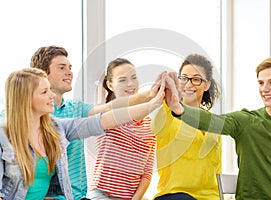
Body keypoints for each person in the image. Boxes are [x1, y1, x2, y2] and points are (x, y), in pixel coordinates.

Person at [0, 68, 165, 200]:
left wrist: (152, 102)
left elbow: (106, 119)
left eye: (50, 89)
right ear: (25, 99)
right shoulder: (4, 138)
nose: (51, 95)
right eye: (44, 92)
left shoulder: (57, 129)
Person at [30, 46, 159, 200]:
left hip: (78, 197)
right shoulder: (32, 119)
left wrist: (152, 96)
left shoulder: (76, 109)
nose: (69, 72)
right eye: (62, 67)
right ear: (43, 75)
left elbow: (109, 110)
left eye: (70, 67)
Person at [165, 56, 271, 199]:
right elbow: (211, 121)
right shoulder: (246, 121)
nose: (264, 89)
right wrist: (178, 108)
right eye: (261, 83)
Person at [151, 54, 221, 200]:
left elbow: (217, 167)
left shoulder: (213, 122)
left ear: (206, 84)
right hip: (175, 195)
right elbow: (155, 128)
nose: (188, 84)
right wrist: (166, 100)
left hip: (210, 197)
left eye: (196, 79)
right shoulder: (169, 113)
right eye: (184, 78)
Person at [88, 58, 156, 200]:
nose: (130, 84)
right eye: (122, 80)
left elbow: (147, 171)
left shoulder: (149, 125)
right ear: (110, 85)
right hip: (103, 195)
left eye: (134, 78)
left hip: (134, 197)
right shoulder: (107, 115)